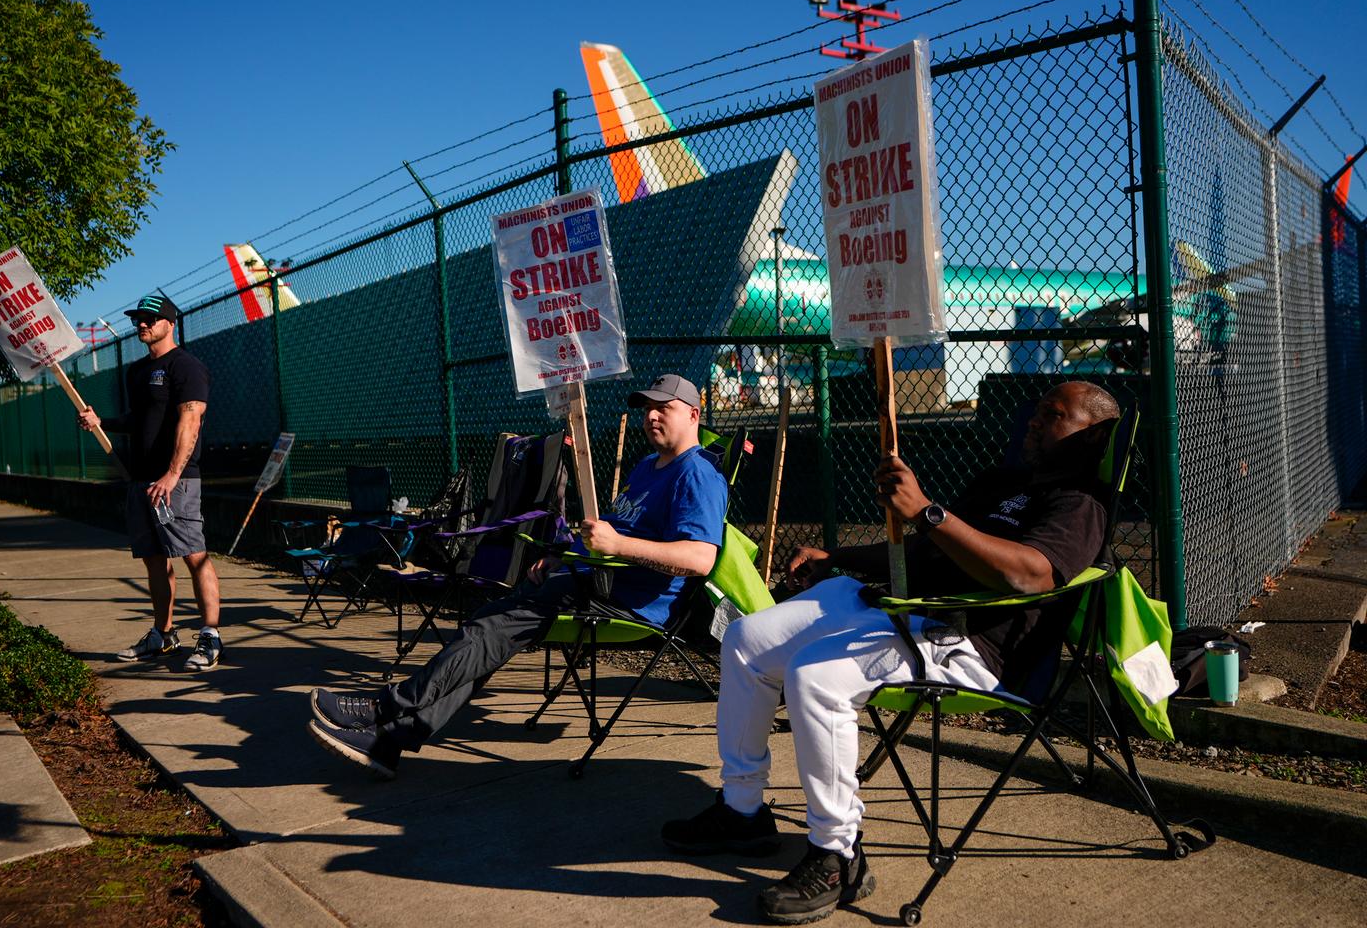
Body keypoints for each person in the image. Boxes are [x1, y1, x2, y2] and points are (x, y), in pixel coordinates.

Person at [661, 381, 1121, 926]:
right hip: (901, 605)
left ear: (1091, 437)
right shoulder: (1001, 482)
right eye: (1038, 410)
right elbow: (929, 548)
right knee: (746, 640)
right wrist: (841, 555)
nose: (1035, 421)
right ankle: (742, 812)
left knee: (815, 676)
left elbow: (1030, 574)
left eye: (1055, 414)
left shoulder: (1081, 502)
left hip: (966, 641)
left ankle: (838, 856)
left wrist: (927, 510)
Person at [308, 373, 729, 779]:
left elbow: (698, 559)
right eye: (647, 409)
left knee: (487, 629)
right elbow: (610, 534)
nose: (652, 417)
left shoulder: (697, 474)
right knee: (488, 636)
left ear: (693, 414)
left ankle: (384, 709)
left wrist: (617, 547)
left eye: (665, 409)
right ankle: (387, 742)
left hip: (624, 599)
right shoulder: (646, 467)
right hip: (586, 579)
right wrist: (565, 557)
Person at [77, 294, 223, 671]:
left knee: (194, 556)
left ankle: (209, 636)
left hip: (177, 481)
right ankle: (163, 633)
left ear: (169, 323)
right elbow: (140, 419)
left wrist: (172, 475)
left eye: (149, 318)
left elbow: (190, 421)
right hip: (140, 481)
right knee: (154, 561)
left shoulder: (186, 366)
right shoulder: (138, 372)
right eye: (138, 319)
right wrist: (101, 422)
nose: (141, 324)